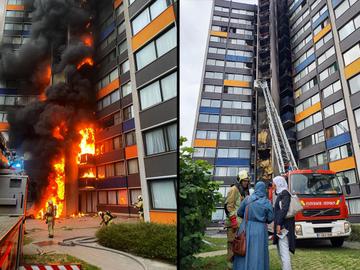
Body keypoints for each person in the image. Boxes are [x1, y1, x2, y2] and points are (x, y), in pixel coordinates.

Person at [233, 181, 274, 270]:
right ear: (264, 190)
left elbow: (239, 212)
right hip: (260, 230)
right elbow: (271, 218)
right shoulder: (267, 202)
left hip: (246, 226)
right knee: (258, 252)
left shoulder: (247, 199)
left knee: (244, 249)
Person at [224, 170, 250, 270]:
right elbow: (228, 206)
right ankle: (230, 267)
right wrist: (233, 220)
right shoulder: (234, 189)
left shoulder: (245, 191)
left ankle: (238, 266)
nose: (246, 183)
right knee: (232, 245)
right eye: (244, 181)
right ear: (240, 180)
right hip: (233, 224)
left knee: (240, 245)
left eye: (247, 181)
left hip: (242, 223)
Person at [273, 176, 296, 270]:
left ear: (279, 183)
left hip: (284, 227)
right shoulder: (281, 193)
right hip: (282, 225)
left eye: (274, 183)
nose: (273, 185)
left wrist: (278, 224)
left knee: (284, 253)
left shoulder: (285, 193)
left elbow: (284, 209)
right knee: (281, 252)